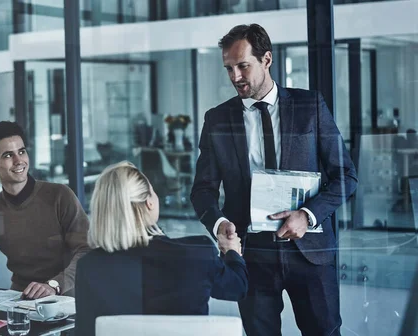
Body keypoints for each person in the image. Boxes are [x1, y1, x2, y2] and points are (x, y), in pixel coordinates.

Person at [190, 24, 358, 336]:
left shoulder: (310, 107)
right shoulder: (217, 119)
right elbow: (202, 190)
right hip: (252, 254)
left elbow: (345, 176)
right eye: (228, 68)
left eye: (243, 66)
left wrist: (307, 216)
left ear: (267, 59)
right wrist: (219, 224)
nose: (235, 77)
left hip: (310, 252)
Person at [75, 161, 248, 336]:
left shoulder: (89, 266)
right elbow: (237, 287)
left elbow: (85, 331)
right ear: (149, 202)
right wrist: (232, 251)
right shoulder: (197, 253)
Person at [0, 121, 90, 299]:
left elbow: (86, 250)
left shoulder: (59, 196)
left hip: (67, 296)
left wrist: (54, 284)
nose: (19, 161)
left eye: (22, 151)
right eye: (8, 155)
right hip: (21, 299)